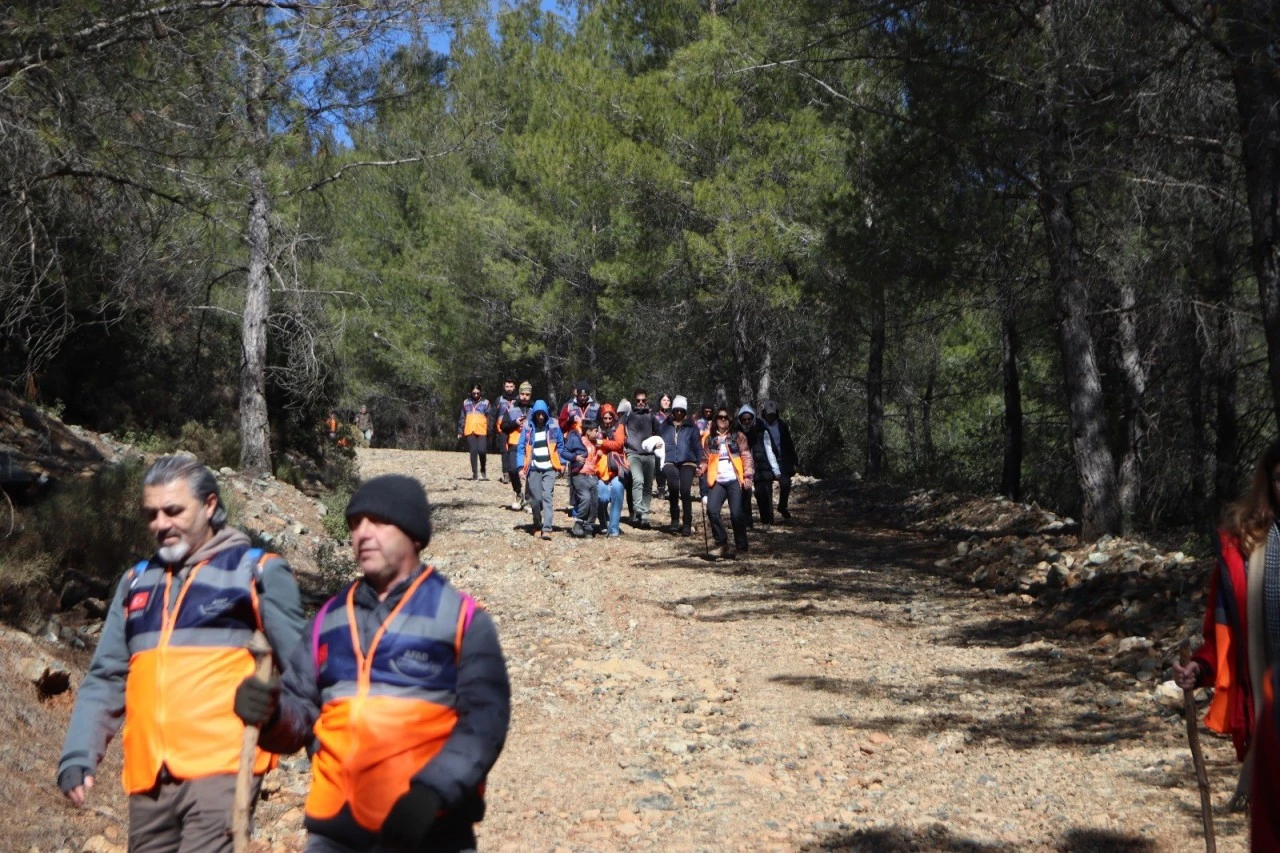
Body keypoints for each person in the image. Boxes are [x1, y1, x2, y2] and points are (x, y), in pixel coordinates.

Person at [233, 474, 510, 852]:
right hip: (334, 832)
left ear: (414, 535)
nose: (362, 533)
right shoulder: (327, 619)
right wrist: (271, 714)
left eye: (378, 522)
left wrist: (431, 793)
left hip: (431, 829)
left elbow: (484, 723)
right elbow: (300, 711)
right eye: (354, 524)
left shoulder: (461, 619)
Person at [57, 454, 305, 851]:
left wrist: (303, 740)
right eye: (152, 514)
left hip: (223, 769)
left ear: (209, 506)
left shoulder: (256, 573)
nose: (160, 524)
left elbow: (305, 674)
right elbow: (106, 677)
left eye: (173, 511)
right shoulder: (136, 582)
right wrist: (78, 756)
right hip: (149, 775)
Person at [1172, 440, 1280, 811]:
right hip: (1271, 722)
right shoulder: (1245, 554)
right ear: (1269, 485)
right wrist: (1200, 667)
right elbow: (1224, 639)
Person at [697, 406, 754, 559]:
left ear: (730, 420)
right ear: (715, 420)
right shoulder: (710, 439)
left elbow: (746, 456)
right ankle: (722, 544)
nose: (723, 420)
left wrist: (748, 476)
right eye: (720, 417)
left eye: (726, 417)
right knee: (712, 510)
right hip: (718, 479)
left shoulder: (738, 436)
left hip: (734, 479)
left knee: (736, 514)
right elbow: (705, 459)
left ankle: (742, 548)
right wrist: (701, 469)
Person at [516, 400, 565, 541]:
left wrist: (562, 462)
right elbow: (520, 448)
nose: (541, 417)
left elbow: (561, 445)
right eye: (538, 414)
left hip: (550, 467)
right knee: (535, 499)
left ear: (546, 413)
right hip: (534, 467)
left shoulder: (554, 425)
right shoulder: (527, 427)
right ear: (535, 414)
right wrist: (520, 467)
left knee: (547, 497)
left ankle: (547, 528)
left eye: (543, 414)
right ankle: (537, 524)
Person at [659, 396, 702, 537]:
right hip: (669, 459)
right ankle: (675, 519)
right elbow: (657, 441)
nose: (678, 413)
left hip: (688, 460)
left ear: (685, 411)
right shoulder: (665, 425)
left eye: (681, 410)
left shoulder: (692, 427)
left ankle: (687, 523)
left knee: (685, 491)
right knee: (673, 487)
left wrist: (699, 462)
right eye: (676, 410)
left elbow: (697, 446)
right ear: (672, 411)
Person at [739, 404, 782, 530]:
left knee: (762, 494)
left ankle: (766, 521)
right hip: (744, 468)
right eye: (744, 419)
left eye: (748, 419)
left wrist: (775, 469)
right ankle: (747, 523)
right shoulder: (737, 433)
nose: (746, 421)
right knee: (745, 495)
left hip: (761, 467)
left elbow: (770, 450)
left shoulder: (762, 431)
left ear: (752, 418)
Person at [624, 388, 659, 528]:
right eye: (638, 400)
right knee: (637, 480)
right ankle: (637, 509)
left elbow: (659, 432)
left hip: (649, 454)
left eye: (643, 400)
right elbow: (619, 429)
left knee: (648, 486)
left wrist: (658, 443)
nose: (640, 403)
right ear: (634, 401)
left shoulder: (651, 416)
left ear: (647, 401)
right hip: (633, 453)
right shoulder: (628, 415)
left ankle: (644, 515)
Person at [565, 420, 604, 538]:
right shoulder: (578, 441)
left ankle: (589, 527)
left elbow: (593, 460)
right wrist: (575, 457)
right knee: (585, 498)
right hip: (580, 475)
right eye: (595, 431)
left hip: (593, 475)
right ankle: (579, 521)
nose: (597, 433)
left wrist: (598, 456)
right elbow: (565, 452)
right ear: (588, 431)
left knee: (594, 501)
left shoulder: (595, 443)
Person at [760, 400, 799, 520]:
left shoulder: (782, 425)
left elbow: (789, 444)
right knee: (766, 489)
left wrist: (794, 462)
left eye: (772, 413)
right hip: (766, 462)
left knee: (786, 484)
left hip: (782, 461)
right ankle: (769, 516)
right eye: (768, 413)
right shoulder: (760, 426)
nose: (770, 416)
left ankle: (782, 506)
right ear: (764, 413)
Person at [499, 382, 534, 510]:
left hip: (530, 444)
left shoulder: (535, 409)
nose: (525, 396)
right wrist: (515, 423)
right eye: (522, 394)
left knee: (530, 472)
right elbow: (503, 426)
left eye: (527, 394)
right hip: (514, 442)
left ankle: (529, 499)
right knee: (513, 469)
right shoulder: (512, 408)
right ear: (518, 394)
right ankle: (518, 492)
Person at [597, 404, 628, 538]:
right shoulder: (596, 428)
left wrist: (601, 442)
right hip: (600, 471)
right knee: (602, 497)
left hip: (617, 469)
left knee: (617, 492)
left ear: (614, 417)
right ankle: (604, 523)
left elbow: (619, 444)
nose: (608, 420)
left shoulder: (619, 428)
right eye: (605, 418)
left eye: (610, 418)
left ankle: (614, 528)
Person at [457, 383, 492, 481]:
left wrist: (490, 430)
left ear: (481, 392)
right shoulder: (466, 402)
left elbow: (490, 418)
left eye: (478, 393)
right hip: (469, 430)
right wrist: (460, 430)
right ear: (471, 393)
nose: (476, 395)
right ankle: (475, 474)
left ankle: (483, 468)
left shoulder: (486, 403)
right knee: (473, 451)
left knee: (482, 450)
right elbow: (462, 417)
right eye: (474, 393)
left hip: (482, 430)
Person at [494, 379, 518, 484]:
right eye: (507, 386)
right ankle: (506, 474)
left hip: (516, 429)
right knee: (504, 451)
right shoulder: (499, 399)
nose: (509, 388)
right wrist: (492, 429)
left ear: (514, 387)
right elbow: (493, 415)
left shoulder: (518, 399)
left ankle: (516, 473)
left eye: (511, 386)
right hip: (502, 429)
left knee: (515, 451)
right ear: (504, 387)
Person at [653, 394, 672, 500]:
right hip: (658, 445)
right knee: (659, 467)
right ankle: (661, 490)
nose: (666, 402)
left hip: (671, 445)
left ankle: (672, 488)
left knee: (670, 467)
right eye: (663, 400)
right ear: (659, 401)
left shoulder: (674, 415)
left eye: (668, 400)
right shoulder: (655, 416)